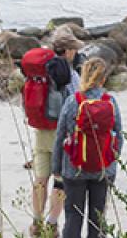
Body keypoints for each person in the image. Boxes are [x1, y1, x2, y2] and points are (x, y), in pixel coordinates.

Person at [51, 57, 123, 238]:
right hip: (102, 169)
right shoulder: (110, 101)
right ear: (103, 79)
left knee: (73, 216)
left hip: (74, 168)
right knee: (97, 218)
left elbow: (60, 136)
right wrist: (111, 165)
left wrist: (56, 169)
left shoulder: (72, 101)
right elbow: (118, 136)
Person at [28, 33, 84, 237]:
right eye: (75, 49)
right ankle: (51, 224)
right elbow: (77, 103)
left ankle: (36, 222)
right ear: (68, 51)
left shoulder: (39, 72)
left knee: (40, 178)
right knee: (60, 181)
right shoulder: (69, 74)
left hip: (41, 131)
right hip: (62, 134)